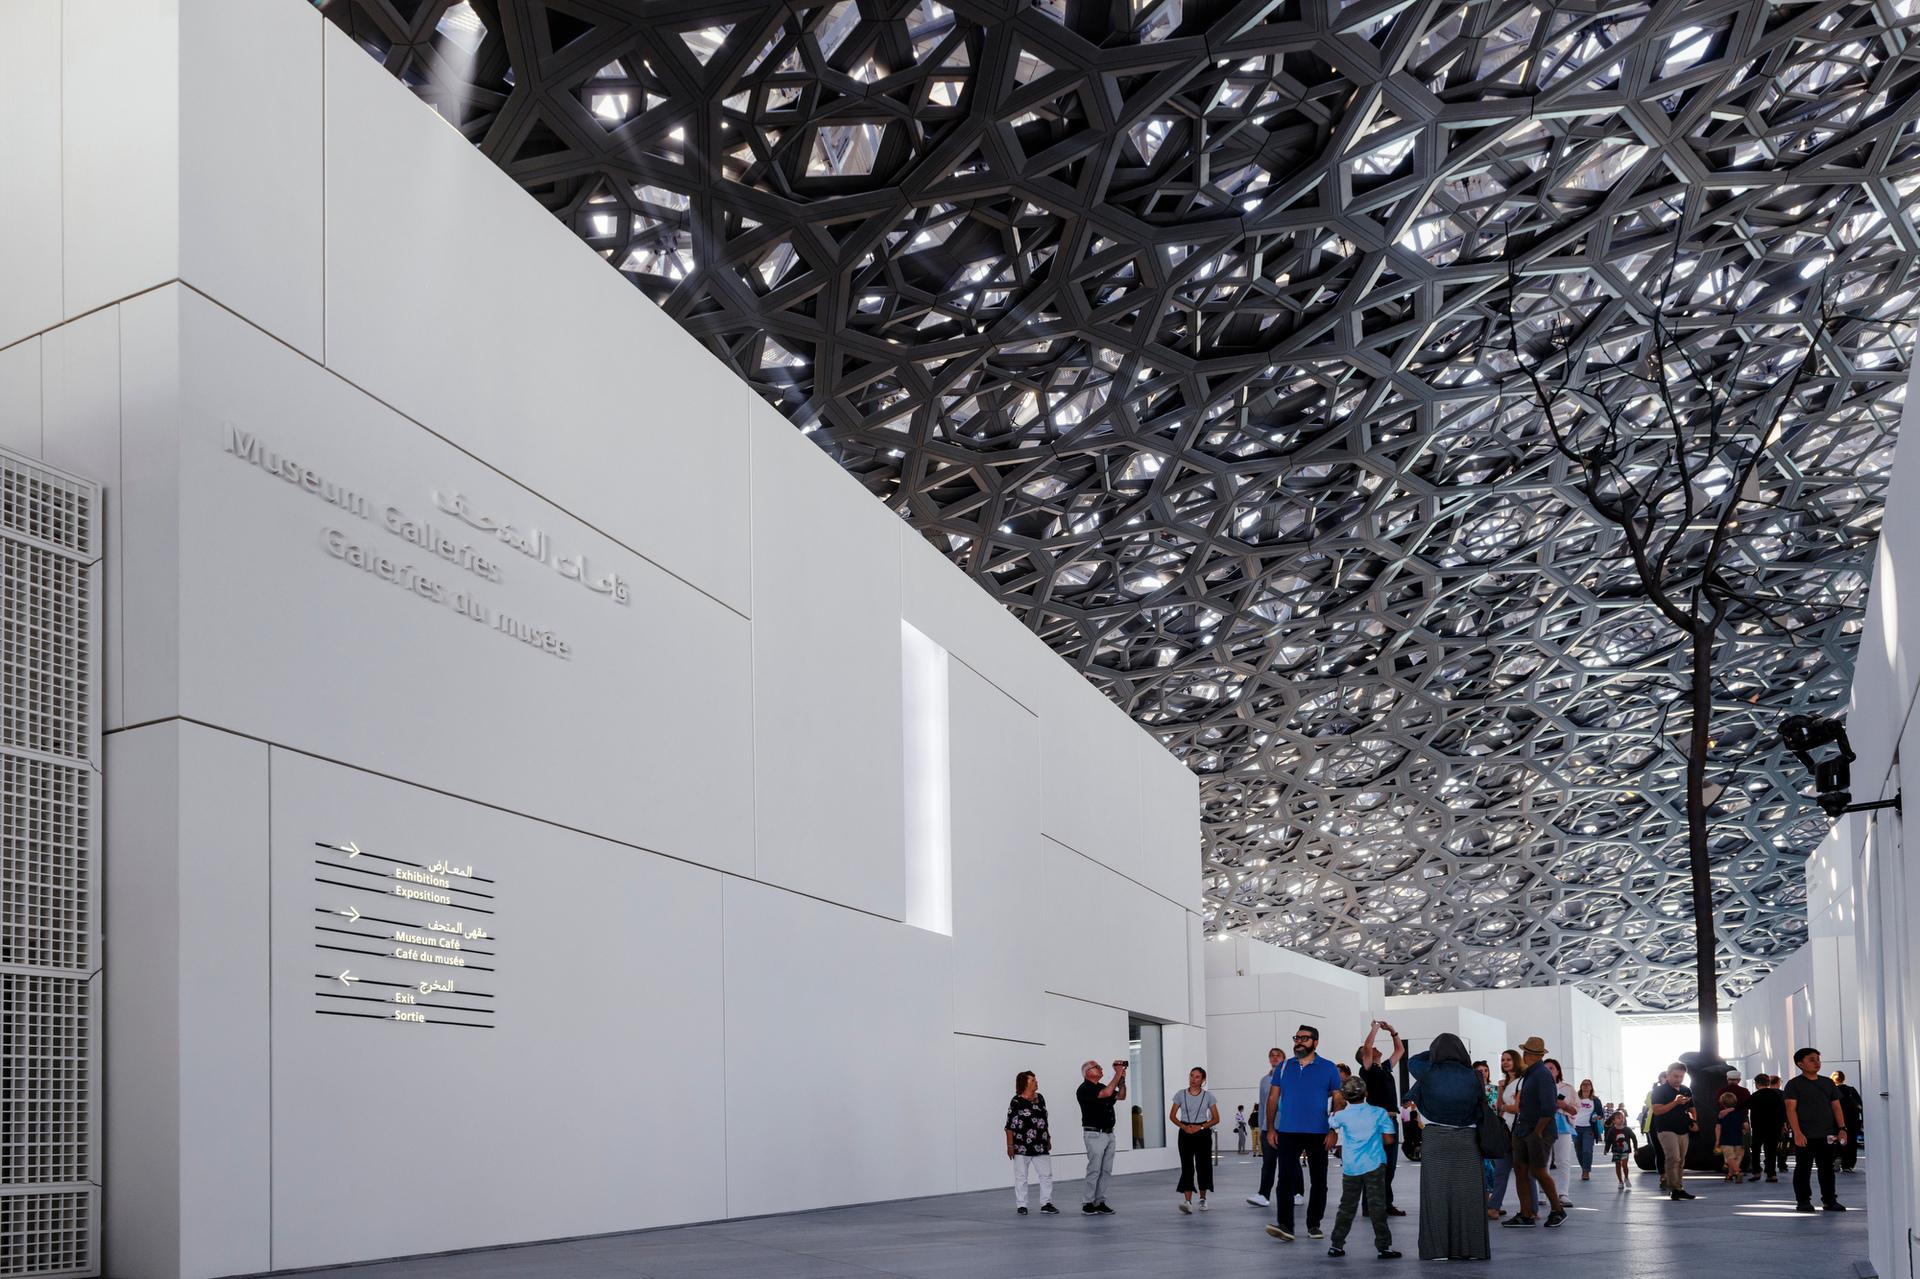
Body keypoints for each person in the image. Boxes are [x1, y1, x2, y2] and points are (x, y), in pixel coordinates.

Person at [1406, 1032, 1492, 1261]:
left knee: (1435, 1196)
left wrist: (1433, 1054)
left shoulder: (1428, 1071)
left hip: (1436, 1139)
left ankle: (1437, 1250)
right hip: (1468, 1140)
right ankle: (1472, 1249)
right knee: (1470, 1196)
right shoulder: (1475, 1076)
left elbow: (1411, 1060)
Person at [1263, 1024, 1343, 1244]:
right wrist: (1271, 1128)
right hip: (1287, 1131)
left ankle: (1314, 1223)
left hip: (1319, 1132)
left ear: (1315, 1042)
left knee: (1319, 1180)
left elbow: (1338, 1099)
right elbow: (1272, 1098)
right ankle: (1286, 1225)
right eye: (1297, 1038)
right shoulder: (1284, 1067)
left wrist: (1334, 1129)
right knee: (1285, 1179)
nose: (1299, 1042)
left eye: (1304, 1038)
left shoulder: (1328, 1068)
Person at [1325, 1076, 1402, 1259]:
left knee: (1347, 1206)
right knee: (1377, 1207)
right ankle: (1384, 1247)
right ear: (1366, 1093)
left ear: (1345, 1097)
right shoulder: (1379, 1113)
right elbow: (1389, 1139)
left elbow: (1332, 1123)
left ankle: (1336, 1245)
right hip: (1374, 1164)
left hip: (1351, 1166)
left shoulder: (1342, 1115)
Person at [1505, 1037, 1566, 1228]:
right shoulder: (1532, 1074)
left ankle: (1557, 1209)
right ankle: (1526, 1214)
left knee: (1538, 1170)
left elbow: (1549, 1108)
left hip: (1537, 1131)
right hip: (1525, 1129)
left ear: (1527, 1055)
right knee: (1521, 1169)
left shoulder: (1541, 1075)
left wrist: (1537, 1132)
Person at [1784, 1047, 1847, 1212]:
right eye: (1811, 1059)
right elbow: (1790, 1109)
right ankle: (1803, 1201)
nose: (1817, 1062)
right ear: (1800, 1064)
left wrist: (1842, 1128)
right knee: (1803, 1169)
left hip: (1827, 1134)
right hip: (1805, 1135)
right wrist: (1797, 1133)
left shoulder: (1827, 1082)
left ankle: (1829, 1200)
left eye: (1818, 1059)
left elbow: (1836, 1107)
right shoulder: (1794, 1084)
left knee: (1827, 1169)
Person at [1356, 1019, 1407, 1217]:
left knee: (1390, 1166)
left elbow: (1400, 1050)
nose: (1375, 1048)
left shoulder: (1385, 1067)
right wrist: (1375, 1028)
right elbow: (1368, 1046)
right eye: (1369, 1050)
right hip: (1377, 1122)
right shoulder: (1366, 1069)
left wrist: (1392, 1031)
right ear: (1363, 1057)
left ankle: (1385, 1203)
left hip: (1391, 1121)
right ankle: (1370, 1206)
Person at [1076, 1058, 1126, 1215]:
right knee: (1094, 1169)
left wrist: (1121, 1080)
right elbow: (1107, 1093)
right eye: (1096, 1067)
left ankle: (1100, 1201)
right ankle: (1087, 1202)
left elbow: (1121, 1096)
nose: (1100, 1068)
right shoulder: (1085, 1089)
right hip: (1094, 1134)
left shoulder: (1103, 1086)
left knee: (1106, 1170)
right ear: (1087, 1072)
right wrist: (1117, 1074)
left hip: (1109, 1133)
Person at [1005, 1070, 1058, 1215]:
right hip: (1021, 1145)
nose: (1036, 1082)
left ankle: (1046, 1203)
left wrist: (1049, 1138)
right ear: (1025, 1083)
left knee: (1046, 1174)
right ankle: (1022, 1205)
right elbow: (1009, 1125)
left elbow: (1044, 1121)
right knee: (1021, 1176)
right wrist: (1010, 1146)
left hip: (1041, 1143)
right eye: (1033, 1080)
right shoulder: (1016, 1101)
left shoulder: (1040, 1098)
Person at [1170, 1067, 1219, 1213]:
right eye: (1191, 1076)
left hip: (1202, 1134)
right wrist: (1183, 1127)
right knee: (1187, 1166)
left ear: (1203, 1080)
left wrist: (1201, 1127)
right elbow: (1172, 1116)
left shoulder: (1208, 1096)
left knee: (1203, 1166)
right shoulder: (1180, 1094)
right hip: (1185, 1132)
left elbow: (1216, 1118)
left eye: (1197, 1077)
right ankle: (1187, 1201)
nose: (1193, 1079)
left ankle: (1203, 1199)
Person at [1649, 1063, 1697, 1200]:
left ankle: (1679, 1188)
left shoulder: (1686, 1090)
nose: (1678, 1079)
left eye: (1681, 1076)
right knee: (1673, 1157)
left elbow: (1692, 1108)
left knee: (1681, 1160)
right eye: (1675, 1076)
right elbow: (1657, 1110)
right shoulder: (1659, 1091)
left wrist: (1694, 1121)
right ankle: (1673, 1188)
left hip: (1683, 1129)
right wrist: (1675, 1102)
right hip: (1666, 1129)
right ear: (1668, 1075)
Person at [1246, 1045, 1285, 1207]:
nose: (1274, 1058)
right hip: (1267, 1128)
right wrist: (1263, 1125)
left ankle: (1297, 1192)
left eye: (1278, 1055)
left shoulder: (1289, 1077)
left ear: (1284, 1058)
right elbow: (1262, 1104)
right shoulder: (1264, 1080)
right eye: (1271, 1055)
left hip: (1286, 1128)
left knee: (1289, 1163)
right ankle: (1263, 1194)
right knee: (1268, 1162)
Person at [1486, 1049, 1521, 1220]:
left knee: (1524, 1173)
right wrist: (1501, 1090)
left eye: (1509, 1059)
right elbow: (1499, 1106)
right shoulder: (1506, 1083)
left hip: (1518, 1131)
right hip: (1505, 1131)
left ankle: (1532, 1208)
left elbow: (1518, 1108)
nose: (1505, 1062)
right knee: (1500, 1170)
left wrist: (1507, 1107)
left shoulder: (1522, 1081)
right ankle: (1493, 1207)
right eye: (1503, 1060)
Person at [1544, 1059, 1578, 1205]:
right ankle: (1541, 1192)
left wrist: (1563, 1106)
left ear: (1558, 1071)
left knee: (1563, 1160)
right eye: (1545, 1068)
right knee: (1543, 1160)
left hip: (1562, 1125)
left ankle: (1562, 1193)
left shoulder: (1567, 1088)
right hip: (1542, 1124)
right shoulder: (1537, 1086)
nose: (1548, 1070)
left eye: (1551, 1068)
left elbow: (1575, 1109)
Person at [1748, 1074, 1786, 1182]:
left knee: (1755, 1150)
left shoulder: (1755, 1095)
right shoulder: (1777, 1095)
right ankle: (1771, 1174)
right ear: (1768, 1083)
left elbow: (1744, 1106)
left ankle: (1756, 1172)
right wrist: (1783, 1124)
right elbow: (1783, 1110)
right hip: (1774, 1126)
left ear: (1757, 1084)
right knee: (1771, 1151)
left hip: (1758, 1126)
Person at [1833, 1071, 1863, 1172]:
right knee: (1850, 1142)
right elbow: (1860, 1105)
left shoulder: (1832, 1090)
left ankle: (1837, 1157)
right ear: (1843, 1078)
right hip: (1851, 1122)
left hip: (1836, 1122)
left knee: (1836, 1140)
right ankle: (1848, 1164)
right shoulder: (1851, 1090)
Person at [1605, 1109, 1639, 1189]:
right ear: (1613, 1121)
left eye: (1622, 1118)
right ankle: (1620, 1181)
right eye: (1618, 1118)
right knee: (1617, 1165)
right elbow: (1608, 1140)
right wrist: (1606, 1149)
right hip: (1616, 1151)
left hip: (1625, 1151)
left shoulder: (1627, 1129)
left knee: (1624, 1164)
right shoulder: (1612, 1130)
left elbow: (1634, 1138)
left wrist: (1636, 1148)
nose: (1621, 1119)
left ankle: (1626, 1178)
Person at [1717, 1091, 1746, 1182]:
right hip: (1738, 1138)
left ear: (1722, 1103)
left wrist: (1717, 1140)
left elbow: (1718, 1127)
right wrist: (1744, 1131)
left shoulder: (1721, 1114)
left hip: (1726, 1139)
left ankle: (1737, 1172)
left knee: (1730, 1157)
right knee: (1736, 1157)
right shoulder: (1740, 1113)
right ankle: (1730, 1175)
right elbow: (1746, 1126)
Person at [1573, 1079, 1599, 1181]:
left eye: (1588, 1084)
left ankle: (1586, 1171)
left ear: (1591, 1087)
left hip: (1589, 1128)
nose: (1586, 1086)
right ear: (1581, 1086)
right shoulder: (1576, 1098)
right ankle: (1584, 1167)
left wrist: (1597, 1117)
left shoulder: (1595, 1100)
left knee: (1587, 1150)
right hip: (1576, 1128)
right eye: (1583, 1084)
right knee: (1578, 1150)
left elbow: (1600, 1113)